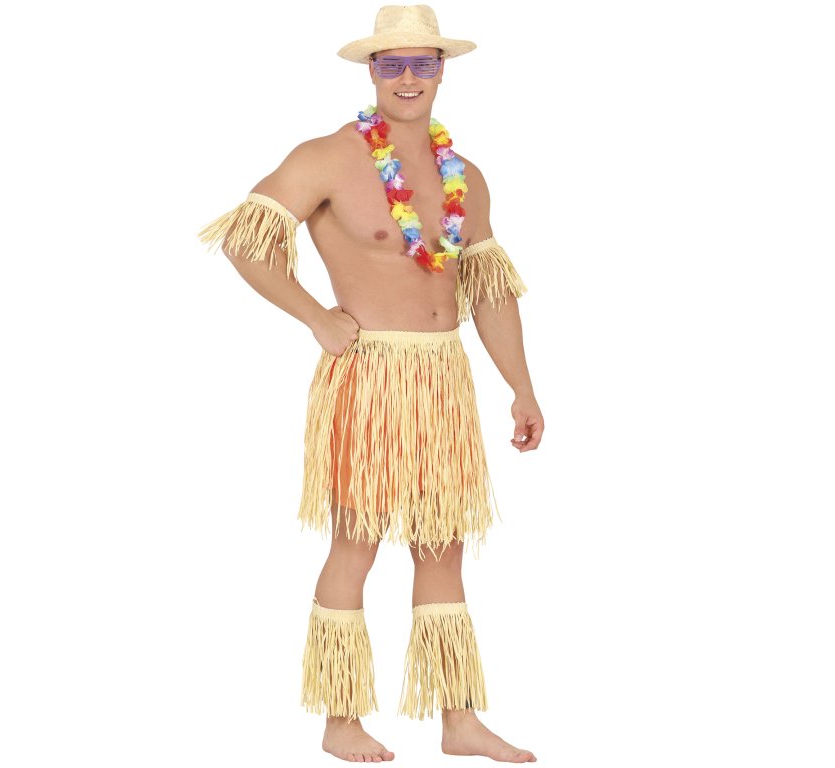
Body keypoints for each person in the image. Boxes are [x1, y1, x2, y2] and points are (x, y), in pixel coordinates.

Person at [198, 4, 543, 763]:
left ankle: (459, 721)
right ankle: (341, 719)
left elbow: (488, 290)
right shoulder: (326, 157)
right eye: (393, 64)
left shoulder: (465, 176)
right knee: (356, 542)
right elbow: (246, 241)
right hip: (369, 376)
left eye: (423, 63)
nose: (408, 78)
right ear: (372, 71)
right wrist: (316, 317)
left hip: (444, 379)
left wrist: (520, 387)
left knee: (442, 546)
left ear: (442, 71)